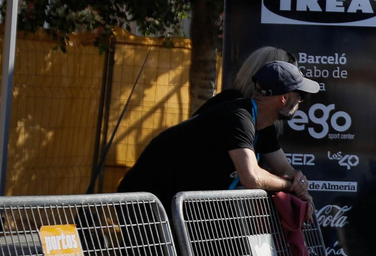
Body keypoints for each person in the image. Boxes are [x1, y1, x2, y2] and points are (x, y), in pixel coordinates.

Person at [118, 57, 319, 208]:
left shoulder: (265, 124)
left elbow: (284, 169)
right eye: (300, 95)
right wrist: (288, 185)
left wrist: (299, 185)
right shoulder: (238, 116)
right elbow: (251, 177)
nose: (301, 101)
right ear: (283, 98)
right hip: (146, 198)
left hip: (174, 201)